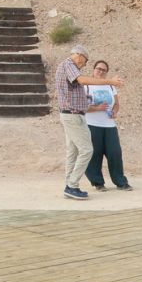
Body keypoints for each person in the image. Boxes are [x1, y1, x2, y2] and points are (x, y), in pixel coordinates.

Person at [53, 44, 118, 200]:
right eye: (85, 61)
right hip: (73, 116)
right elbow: (81, 80)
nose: (84, 64)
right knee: (87, 150)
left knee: (73, 152)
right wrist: (111, 81)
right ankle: (72, 185)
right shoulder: (69, 64)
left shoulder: (68, 67)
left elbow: (76, 92)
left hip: (71, 115)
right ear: (79, 55)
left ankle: (69, 185)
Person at [82, 57, 132, 191]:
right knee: (94, 154)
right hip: (91, 124)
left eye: (104, 70)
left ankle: (120, 182)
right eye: (98, 68)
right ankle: (98, 182)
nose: (100, 71)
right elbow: (81, 106)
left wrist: (115, 112)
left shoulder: (110, 86)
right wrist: (97, 108)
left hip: (109, 125)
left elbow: (116, 104)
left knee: (114, 153)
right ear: (93, 70)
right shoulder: (86, 85)